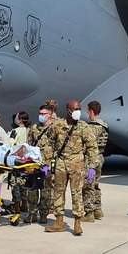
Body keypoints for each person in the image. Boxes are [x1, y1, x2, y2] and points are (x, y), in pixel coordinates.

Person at [44, 100, 97, 236]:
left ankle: (77, 223)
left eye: (79, 109)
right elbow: (48, 143)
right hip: (61, 164)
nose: (78, 111)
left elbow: (92, 146)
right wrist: (46, 162)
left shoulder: (83, 127)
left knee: (76, 193)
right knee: (58, 192)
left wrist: (92, 166)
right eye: (76, 109)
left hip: (77, 165)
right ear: (68, 111)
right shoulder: (58, 125)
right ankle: (59, 222)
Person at [24, 104, 56, 224]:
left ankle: (44, 214)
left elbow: (58, 147)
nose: (41, 116)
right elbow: (29, 145)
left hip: (47, 164)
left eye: (43, 114)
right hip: (35, 163)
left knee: (46, 190)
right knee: (32, 189)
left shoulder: (54, 129)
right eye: (40, 114)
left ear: (50, 115)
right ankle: (32, 213)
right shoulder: (34, 128)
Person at [81, 100, 109, 222]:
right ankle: (98, 209)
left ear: (90, 111)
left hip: (91, 160)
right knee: (96, 184)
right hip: (100, 158)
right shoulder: (104, 125)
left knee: (88, 185)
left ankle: (89, 213)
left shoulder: (91, 127)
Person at [10, 112, 31, 212]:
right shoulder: (29, 131)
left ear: (20, 120)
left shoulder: (16, 131)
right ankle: (24, 204)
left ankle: (17, 205)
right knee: (24, 183)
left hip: (17, 159)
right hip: (27, 160)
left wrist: (10, 138)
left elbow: (10, 144)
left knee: (15, 183)